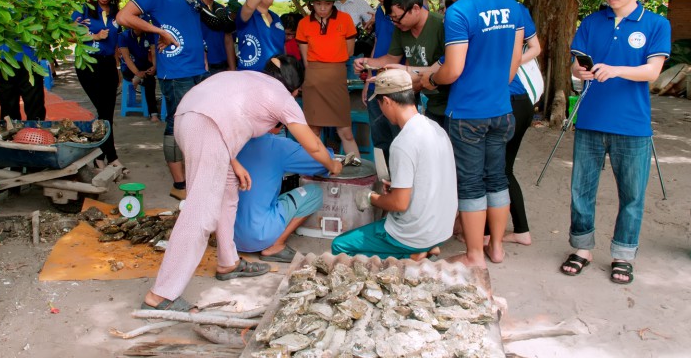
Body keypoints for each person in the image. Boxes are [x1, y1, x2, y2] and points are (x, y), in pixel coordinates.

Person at [142, 56, 343, 311]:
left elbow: (227, 115)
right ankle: (160, 295)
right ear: (295, 88)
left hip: (190, 118)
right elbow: (313, 145)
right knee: (200, 213)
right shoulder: (282, 96)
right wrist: (333, 164)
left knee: (228, 194)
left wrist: (233, 161)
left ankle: (229, 262)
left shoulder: (250, 79)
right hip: (206, 126)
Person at [560, 0, 670, 285]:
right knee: (581, 190)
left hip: (632, 125)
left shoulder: (655, 24)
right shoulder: (591, 23)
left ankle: (623, 254)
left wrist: (616, 69)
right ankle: (582, 248)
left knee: (632, 195)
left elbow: (652, 72)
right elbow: (573, 66)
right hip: (590, 121)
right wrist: (577, 70)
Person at [424, 0, 524, 268]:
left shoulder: (459, 12)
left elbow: (452, 70)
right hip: (501, 108)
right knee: (496, 178)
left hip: (468, 113)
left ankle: (473, 255)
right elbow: (513, 65)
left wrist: (431, 80)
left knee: (469, 184)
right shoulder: (512, 7)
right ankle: (496, 248)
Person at [331, 69, 456, 259]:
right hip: (442, 229)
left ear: (387, 101)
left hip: (416, 233)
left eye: (380, 103)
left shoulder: (403, 142)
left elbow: (399, 203)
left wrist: (371, 197)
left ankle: (411, 254)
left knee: (339, 246)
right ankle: (425, 248)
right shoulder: (435, 128)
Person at [116, 0, 206, 201]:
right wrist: (157, 31)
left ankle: (192, 178)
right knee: (177, 124)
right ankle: (179, 185)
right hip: (175, 70)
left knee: (194, 125)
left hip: (195, 67)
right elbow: (124, 16)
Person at [477, 0, 542, 246]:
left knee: (501, 168)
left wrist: (511, 64)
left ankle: (514, 231)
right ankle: (500, 230)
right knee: (496, 167)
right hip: (499, 99)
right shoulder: (475, 11)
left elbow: (536, 46)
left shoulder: (516, 10)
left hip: (514, 100)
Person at [352, 0, 449, 129]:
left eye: (397, 17)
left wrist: (407, 71)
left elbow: (450, 66)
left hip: (450, 104)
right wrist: (366, 62)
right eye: (392, 19)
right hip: (430, 104)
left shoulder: (441, 26)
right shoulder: (401, 28)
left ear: (416, 8)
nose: (395, 23)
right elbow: (391, 59)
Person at [233, 128, 329, 262]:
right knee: (315, 192)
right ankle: (276, 245)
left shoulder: (231, 140)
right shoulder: (277, 145)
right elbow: (323, 163)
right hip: (259, 234)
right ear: (276, 125)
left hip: (228, 237)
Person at [296, 0, 360, 157]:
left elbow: (349, 51)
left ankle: (357, 172)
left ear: (333, 2)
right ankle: (311, 171)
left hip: (337, 77)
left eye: (327, 3)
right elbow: (305, 58)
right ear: (312, 3)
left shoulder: (345, 19)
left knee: (345, 131)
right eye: (318, 3)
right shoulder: (303, 24)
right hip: (313, 79)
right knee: (313, 130)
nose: (323, 7)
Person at [72, 0, 123, 169]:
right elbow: (69, 34)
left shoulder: (115, 13)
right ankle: (112, 157)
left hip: (108, 64)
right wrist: (94, 36)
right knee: (103, 111)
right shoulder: (83, 9)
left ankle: (100, 157)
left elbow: (116, 44)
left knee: (107, 113)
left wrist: (118, 68)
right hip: (88, 64)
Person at [359, 0, 403, 161]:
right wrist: (369, 76)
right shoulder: (379, 10)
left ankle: (401, 188)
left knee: (400, 141)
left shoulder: (408, 8)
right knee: (380, 139)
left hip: (399, 82)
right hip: (377, 80)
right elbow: (377, 42)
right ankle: (385, 183)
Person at [235, 0, 285, 71]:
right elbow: (249, 6)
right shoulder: (245, 15)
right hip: (249, 77)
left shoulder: (276, 18)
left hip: (274, 78)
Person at [197, 0, 236, 73]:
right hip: (200, 66)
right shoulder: (193, 7)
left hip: (222, 66)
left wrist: (232, 68)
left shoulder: (222, 9)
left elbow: (228, 39)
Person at [118, 26, 158, 122]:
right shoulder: (124, 36)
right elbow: (127, 58)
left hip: (144, 66)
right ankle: (153, 113)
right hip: (129, 68)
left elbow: (153, 53)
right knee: (150, 81)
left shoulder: (149, 34)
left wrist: (154, 66)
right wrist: (137, 73)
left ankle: (139, 78)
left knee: (151, 77)